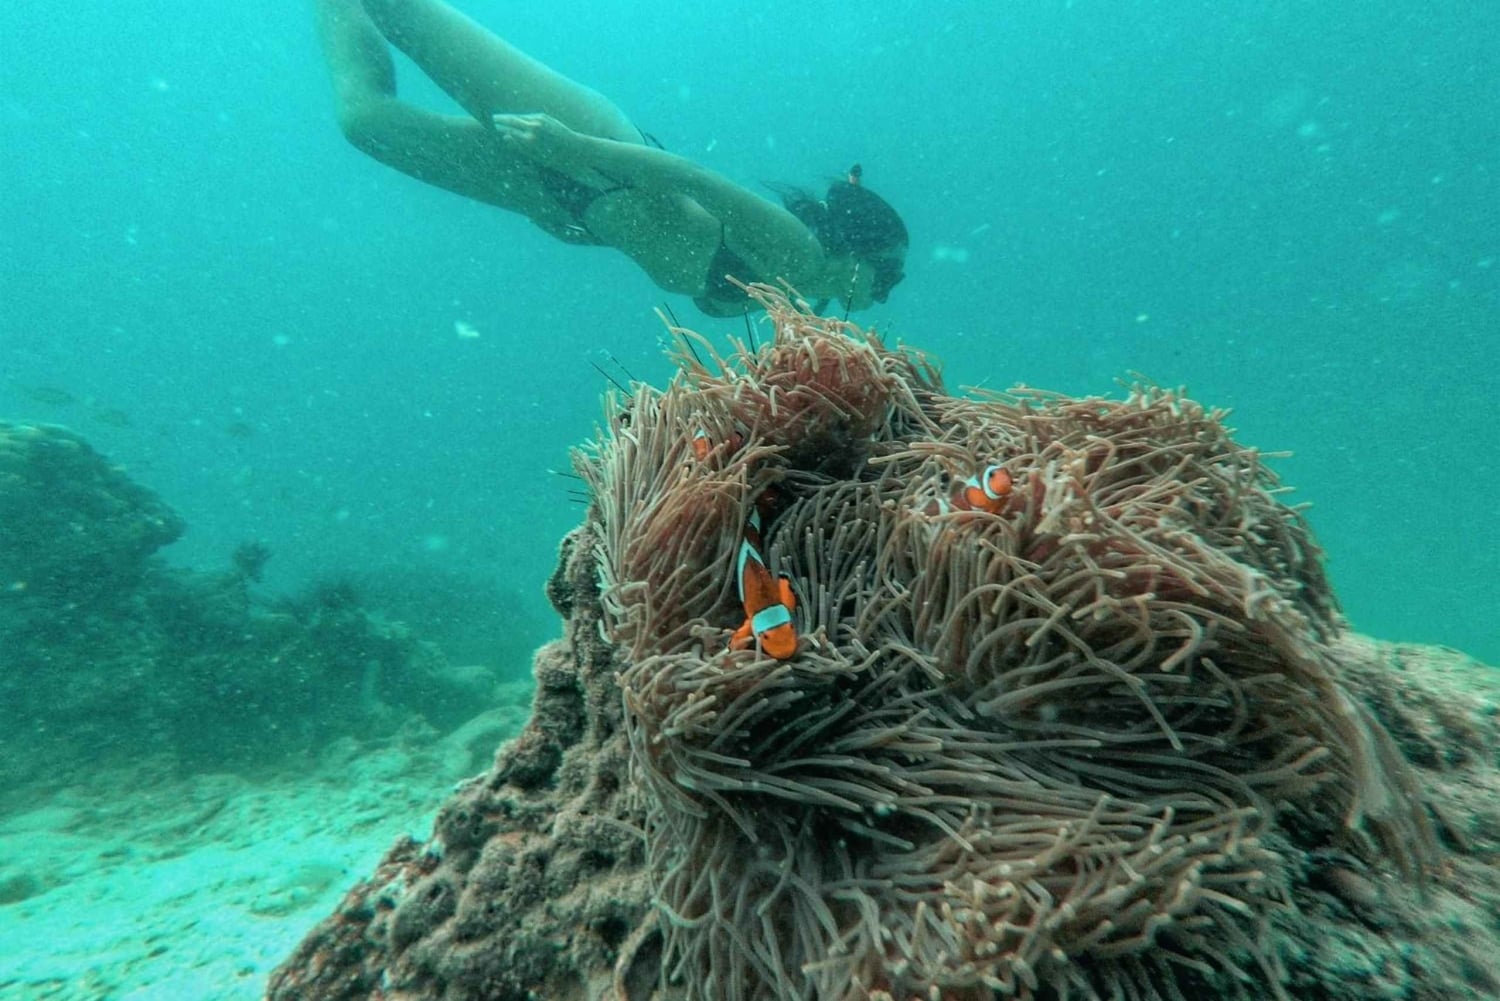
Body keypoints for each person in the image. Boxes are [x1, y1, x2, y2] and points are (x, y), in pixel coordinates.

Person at [314, 0, 909, 316]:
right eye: (889, 274)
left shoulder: (789, 299)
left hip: (565, 199)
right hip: (590, 149)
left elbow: (667, 240)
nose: (886, 293)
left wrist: (583, 229)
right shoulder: (796, 253)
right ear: (857, 252)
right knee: (400, 10)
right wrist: (570, 147)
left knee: (366, 122)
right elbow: (690, 178)